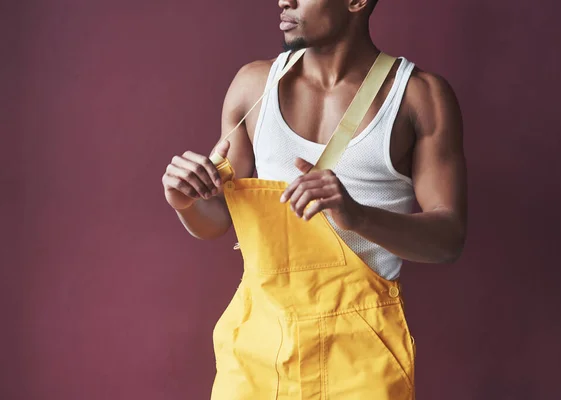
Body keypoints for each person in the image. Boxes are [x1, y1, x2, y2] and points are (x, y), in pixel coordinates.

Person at [162, 0, 467, 398]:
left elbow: (448, 239)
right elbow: (219, 221)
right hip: (258, 345)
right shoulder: (253, 86)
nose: (283, 1)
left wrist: (357, 216)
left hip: (360, 354)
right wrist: (185, 201)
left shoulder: (419, 96)